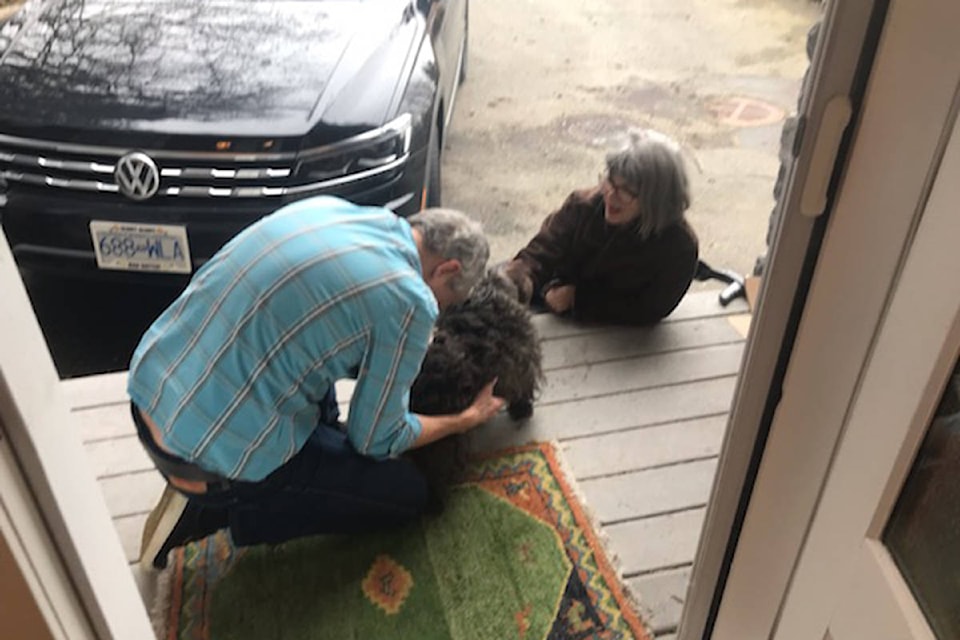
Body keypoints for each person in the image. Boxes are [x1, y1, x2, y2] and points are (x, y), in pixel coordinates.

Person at [130, 196, 505, 569]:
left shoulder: (335, 210)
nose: (440, 312)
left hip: (155, 384)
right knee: (409, 495)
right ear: (446, 269)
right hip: (206, 461)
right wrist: (465, 419)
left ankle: (227, 467)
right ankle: (215, 511)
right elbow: (375, 439)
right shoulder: (411, 299)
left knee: (319, 376)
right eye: (449, 301)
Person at [504, 130, 699, 325]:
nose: (610, 196)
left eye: (627, 191)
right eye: (610, 182)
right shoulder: (583, 207)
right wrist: (519, 280)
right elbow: (541, 251)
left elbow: (653, 307)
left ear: (656, 200)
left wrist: (578, 299)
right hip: (545, 297)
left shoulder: (679, 248)